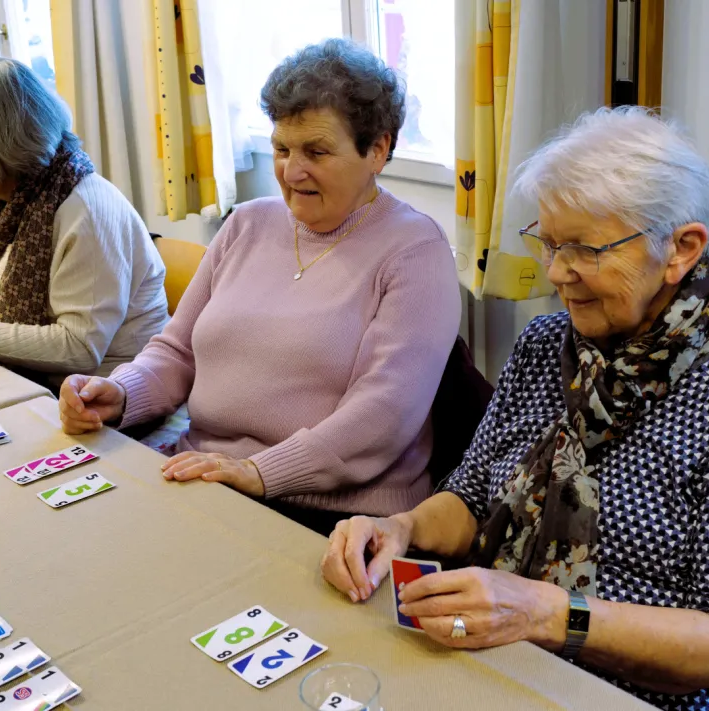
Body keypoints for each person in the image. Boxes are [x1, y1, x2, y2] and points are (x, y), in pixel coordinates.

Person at [321, 107, 709, 711]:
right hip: (493, 656)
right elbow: (473, 497)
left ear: (681, 249)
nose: (556, 272)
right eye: (551, 243)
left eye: (584, 249)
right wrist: (401, 527)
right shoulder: (546, 345)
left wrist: (547, 613)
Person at [56, 39, 460, 535]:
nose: (291, 172)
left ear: (377, 149)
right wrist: (119, 393)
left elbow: (383, 417)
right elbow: (178, 351)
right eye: (281, 148)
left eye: (317, 151)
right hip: (206, 476)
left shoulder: (415, 250)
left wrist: (259, 473)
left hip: (333, 515)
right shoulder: (248, 224)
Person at [0, 59, 168, 386]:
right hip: (40, 383)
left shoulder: (87, 211)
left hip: (104, 395)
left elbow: (80, 348)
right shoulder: (24, 197)